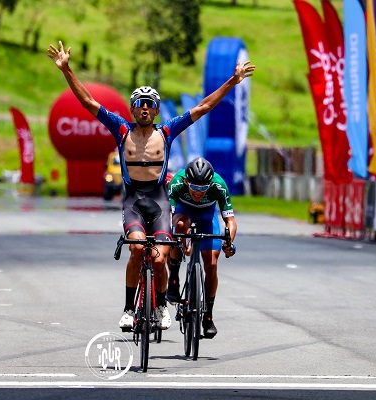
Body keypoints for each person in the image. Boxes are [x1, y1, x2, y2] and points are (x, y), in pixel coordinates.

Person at [47, 40, 254, 331]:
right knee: (134, 250)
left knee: (159, 260)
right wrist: (67, 70)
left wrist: (233, 80)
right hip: (133, 200)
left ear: (156, 111)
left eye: (150, 105)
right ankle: (129, 309)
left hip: (159, 199)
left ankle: (159, 306)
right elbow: (89, 103)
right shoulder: (121, 130)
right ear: (132, 109)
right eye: (139, 104)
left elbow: (204, 106)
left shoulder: (167, 132)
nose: (144, 108)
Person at [166, 157, 237, 338]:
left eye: (203, 188)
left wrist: (228, 242)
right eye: (195, 188)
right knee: (178, 228)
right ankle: (173, 277)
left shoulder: (219, 185)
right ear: (187, 181)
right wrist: (171, 237)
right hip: (183, 213)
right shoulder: (177, 182)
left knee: (211, 264)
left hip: (207, 219)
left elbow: (230, 221)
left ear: (210, 183)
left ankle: (208, 316)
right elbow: (167, 216)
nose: (198, 193)